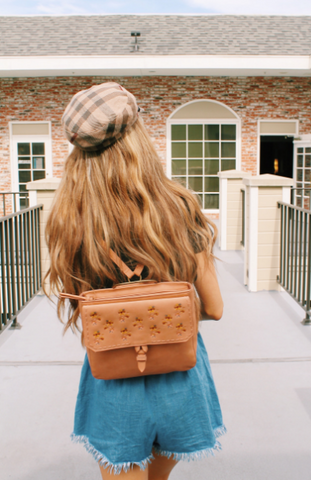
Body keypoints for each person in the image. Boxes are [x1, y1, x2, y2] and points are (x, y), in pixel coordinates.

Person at [45, 82, 225, 480]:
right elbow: (214, 308)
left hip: (114, 383)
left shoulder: (71, 220)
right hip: (181, 376)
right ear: (138, 136)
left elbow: (85, 311)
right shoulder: (180, 206)